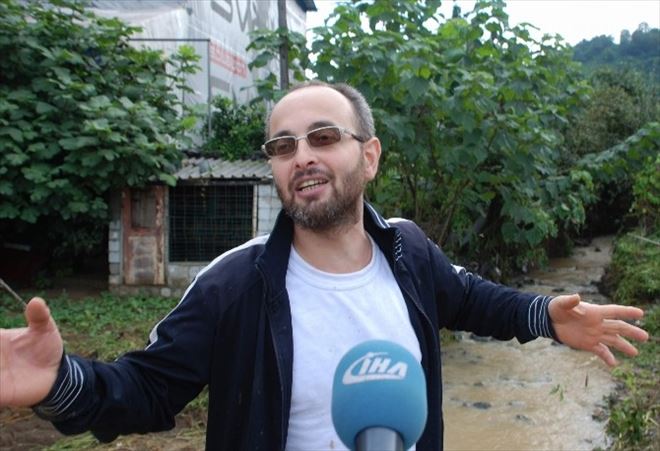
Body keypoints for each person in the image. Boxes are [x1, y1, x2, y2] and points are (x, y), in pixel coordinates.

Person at [0, 81, 649, 451]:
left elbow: (470, 298)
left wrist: (544, 313)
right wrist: (60, 381)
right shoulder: (234, 283)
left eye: (323, 137)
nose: (301, 156)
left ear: (369, 156)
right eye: (283, 146)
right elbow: (146, 388)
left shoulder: (409, 250)